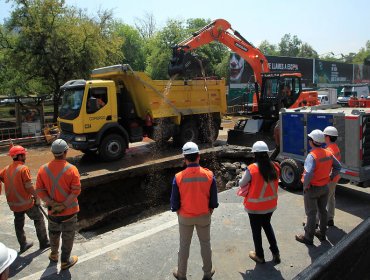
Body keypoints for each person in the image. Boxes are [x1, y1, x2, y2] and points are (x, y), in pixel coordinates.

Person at [170, 142, 218, 280]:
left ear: (185, 158)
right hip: (204, 215)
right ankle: (207, 273)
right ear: (198, 156)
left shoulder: (179, 176)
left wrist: (178, 210)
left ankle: (181, 274)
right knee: (205, 244)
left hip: (185, 217)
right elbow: (214, 199)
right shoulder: (209, 175)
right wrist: (210, 209)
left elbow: (174, 201)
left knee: (184, 245)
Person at [36, 139, 81, 270]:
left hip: (52, 211)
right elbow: (76, 191)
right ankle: (65, 261)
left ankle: (54, 255)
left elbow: (39, 190)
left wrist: (52, 203)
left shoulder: (43, 169)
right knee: (68, 236)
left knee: (54, 233)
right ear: (66, 152)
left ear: (52, 152)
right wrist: (64, 205)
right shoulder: (72, 169)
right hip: (70, 212)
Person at [0, 145, 49, 253]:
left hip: (13, 204)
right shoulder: (23, 168)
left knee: (19, 224)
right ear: (20, 156)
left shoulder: (6, 169)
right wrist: (36, 197)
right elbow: (29, 186)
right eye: (24, 155)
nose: (25, 156)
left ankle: (23, 244)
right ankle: (44, 242)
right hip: (26, 203)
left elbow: (3, 178)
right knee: (39, 219)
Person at [295, 130, 341, 245]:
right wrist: (331, 177)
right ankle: (322, 233)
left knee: (311, 214)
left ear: (312, 142)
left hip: (313, 188)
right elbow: (338, 167)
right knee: (323, 211)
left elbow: (309, 173)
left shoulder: (312, 156)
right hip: (324, 187)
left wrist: (305, 185)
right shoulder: (328, 153)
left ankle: (308, 238)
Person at [238, 141, 281, 264]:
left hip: (255, 207)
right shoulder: (275, 166)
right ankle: (275, 252)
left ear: (255, 154)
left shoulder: (252, 169)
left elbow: (242, 184)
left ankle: (260, 255)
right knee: (267, 226)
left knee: (256, 231)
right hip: (270, 206)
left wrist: (243, 176)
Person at [323, 126, 341, 227]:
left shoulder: (328, 151)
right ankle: (330, 219)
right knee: (331, 198)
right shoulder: (336, 147)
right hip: (335, 178)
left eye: (324, 135)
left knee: (321, 201)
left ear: (328, 137)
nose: (324, 137)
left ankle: (315, 222)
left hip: (329, 179)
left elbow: (327, 168)